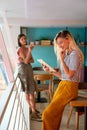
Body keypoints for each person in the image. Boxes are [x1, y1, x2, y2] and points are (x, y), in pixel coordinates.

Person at [42, 30, 84, 130]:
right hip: (64, 85)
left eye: (61, 42)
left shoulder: (75, 54)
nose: (60, 46)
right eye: (58, 44)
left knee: (47, 114)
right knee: (54, 114)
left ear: (68, 38)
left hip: (69, 88)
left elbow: (69, 76)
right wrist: (50, 71)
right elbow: (63, 76)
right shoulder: (68, 54)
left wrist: (61, 59)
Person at [16, 34, 41, 121]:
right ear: (19, 40)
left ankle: (33, 110)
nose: (24, 40)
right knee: (28, 92)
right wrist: (29, 53)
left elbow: (32, 60)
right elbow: (27, 61)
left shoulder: (26, 49)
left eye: (25, 38)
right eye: (22, 39)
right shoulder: (20, 49)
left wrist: (27, 57)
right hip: (23, 71)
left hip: (29, 70)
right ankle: (33, 111)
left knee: (31, 91)